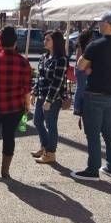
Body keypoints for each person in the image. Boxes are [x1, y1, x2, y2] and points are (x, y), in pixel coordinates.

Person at [71, 11, 111, 181]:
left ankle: (92, 169)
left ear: (107, 24)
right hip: (109, 95)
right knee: (108, 133)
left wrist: (88, 68)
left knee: (93, 135)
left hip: (93, 95)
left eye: (100, 22)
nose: (99, 25)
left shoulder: (96, 45)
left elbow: (80, 65)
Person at [0, 26, 32, 179]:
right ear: (15, 43)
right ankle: (5, 171)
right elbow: (26, 88)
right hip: (15, 108)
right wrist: (27, 106)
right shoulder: (24, 63)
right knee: (9, 137)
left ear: (1, 43)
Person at [31, 31, 68, 164]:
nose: (44, 42)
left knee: (51, 124)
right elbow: (39, 77)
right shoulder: (44, 57)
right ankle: (44, 147)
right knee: (37, 121)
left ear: (55, 42)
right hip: (41, 95)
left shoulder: (61, 59)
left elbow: (57, 82)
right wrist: (34, 92)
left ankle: (50, 153)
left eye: (48, 39)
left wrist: (49, 100)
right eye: (45, 39)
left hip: (52, 98)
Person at [73, 29, 94, 116]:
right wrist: (85, 69)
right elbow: (79, 60)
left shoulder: (86, 46)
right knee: (80, 89)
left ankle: (79, 106)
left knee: (81, 88)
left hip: (82, 70)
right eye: (91, 37)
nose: (93, 38)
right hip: (81, 70)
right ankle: (77, 107)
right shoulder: (80, 47)